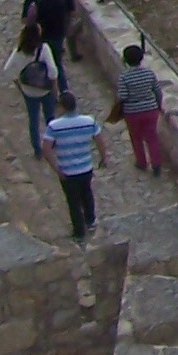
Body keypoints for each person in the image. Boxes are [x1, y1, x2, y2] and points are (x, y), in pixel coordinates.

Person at [42, 92, 107, 243]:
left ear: (61, 106)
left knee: (73, 201)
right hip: (85, 167)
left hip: (67, 170)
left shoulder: (54, 126)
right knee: (87, 194)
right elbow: (100, 141)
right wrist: (104, 157)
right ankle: (90, 220)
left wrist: (56, 168)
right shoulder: (88, 121)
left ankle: (79, 232)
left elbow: (46, 149)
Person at [3, 23, 58, 158]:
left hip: (29, 91)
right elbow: (52, 71)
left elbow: (7, 70)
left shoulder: (19, 51)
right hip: (45, 90)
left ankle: (37, 150)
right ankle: (52, 143)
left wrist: (19, 83)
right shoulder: (43, 49)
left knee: (33, 120)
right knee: (50, 117)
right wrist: (54, 87)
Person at [117, 45, 163, 176]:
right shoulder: (149, 73)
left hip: (132, 112)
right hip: (150, 109)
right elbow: (158, 91)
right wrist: (158, 105)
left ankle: (141, 162)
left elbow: (123, 96)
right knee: (152, 137)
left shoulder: (124, 76)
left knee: (136, 137)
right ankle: (156, 164)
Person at [37, 0, 70, 91]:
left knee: (44, 63)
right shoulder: (61, 2)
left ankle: (45, 87)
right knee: (58, 64)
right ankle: (63, 89)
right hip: (57, 36)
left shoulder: (40, 4)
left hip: (44, 38)